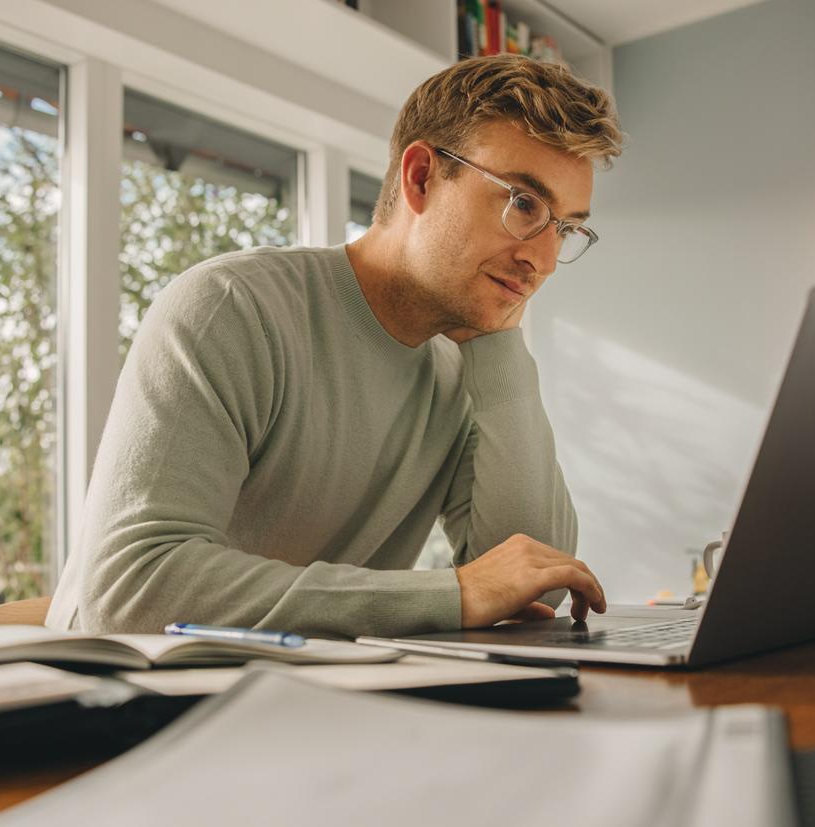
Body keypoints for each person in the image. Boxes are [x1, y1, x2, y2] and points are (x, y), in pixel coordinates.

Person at [47, 54, 623, 637]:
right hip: (126, 704)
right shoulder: (233, 307)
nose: (545, 261)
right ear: (421, 177)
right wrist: (452, 595)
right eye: (523, 204)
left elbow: (537, 588)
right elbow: (131, 590)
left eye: (566, 227)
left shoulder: (465, 370)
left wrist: (501, 346)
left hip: (317, 702)